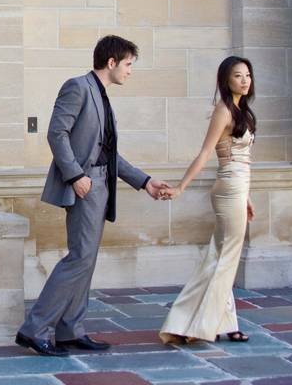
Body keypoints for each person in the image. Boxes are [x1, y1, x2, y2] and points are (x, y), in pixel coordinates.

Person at [15, 35, 171, 357]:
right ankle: (34, 329)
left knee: (86, 261)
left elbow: (110, 154)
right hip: (85, 184)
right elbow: (56, 133)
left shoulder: (103, 97)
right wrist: (75, 176)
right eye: (128, 64)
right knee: (79, 258)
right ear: (111, 62)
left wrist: (145, 182)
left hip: (101, 184)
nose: (130, 70)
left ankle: (70, 330)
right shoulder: (77, 87)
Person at [158, 56, 257, 344]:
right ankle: (198, 325)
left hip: (238, 189)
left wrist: (247, 196)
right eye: (238, 75)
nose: (244, 80)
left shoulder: (243, 112)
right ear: (226, 80)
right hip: (228, 189)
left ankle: (222, 323)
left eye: (248, 75)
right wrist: (180, 188)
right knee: (226, 260)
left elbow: (242, 160)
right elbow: (205, 153)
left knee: (220, 258)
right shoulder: (224, 111)